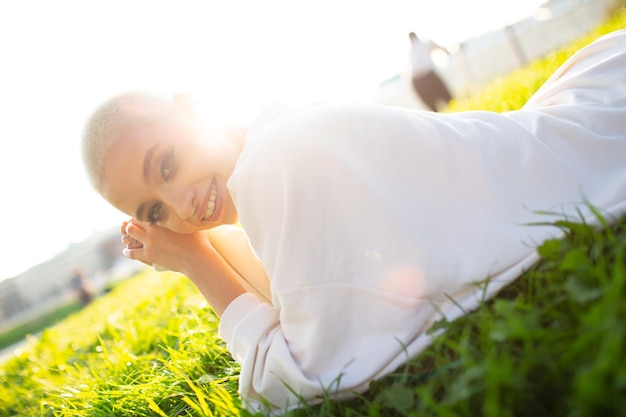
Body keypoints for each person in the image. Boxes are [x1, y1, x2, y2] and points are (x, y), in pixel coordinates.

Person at [81, 30, 626, 413]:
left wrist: (197, 260)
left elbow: (297, 377)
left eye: (168, 164)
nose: (180, 205)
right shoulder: (268, 144)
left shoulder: (276, 164)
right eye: (153, 212)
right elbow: (292, 298)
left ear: (192, 110)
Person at [408, 31, 452, 111]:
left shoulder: (412, 51)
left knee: (435, 106)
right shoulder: (422, 46)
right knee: (447, 99)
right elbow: (437, 46)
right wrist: (447, 52)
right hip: (426, 77)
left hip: (420, 80)